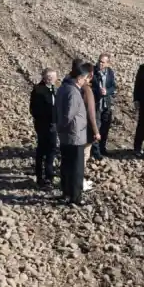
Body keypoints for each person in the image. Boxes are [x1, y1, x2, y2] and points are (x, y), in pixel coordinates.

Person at [56, 62, 91, 205]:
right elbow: (69, 114)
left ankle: (65, 193)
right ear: (79, 78)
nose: (85, 82)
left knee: (66, 165)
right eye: (85, 79)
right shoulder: (73, 92)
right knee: (76, 168)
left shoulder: (62, 88)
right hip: (75, 135)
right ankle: (76, 197)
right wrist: (64, 126)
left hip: (65, 136)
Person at [29, 68, 58, 189]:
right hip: (44, 125)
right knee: (43, 150)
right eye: (49, 77)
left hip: (53, 124)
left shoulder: (54, 89)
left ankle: (48, 175)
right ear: (43, 77)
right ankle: (41, 176)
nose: (51, 79)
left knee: (51, 150)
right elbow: (34, 110)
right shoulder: (38, 90)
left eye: (53, 77)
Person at [76, 60, 101, 191]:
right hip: (85, 130)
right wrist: (96, 131)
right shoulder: (87, 91)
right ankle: (79, 182)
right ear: (90, 75)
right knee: (84, 156)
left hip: (76, 129)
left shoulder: (74, 87)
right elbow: (91, 114)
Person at [92, 53, 116, 158]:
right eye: (99, 61)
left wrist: (107, 91)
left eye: (103, 62)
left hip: (106, 104)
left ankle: (102, 148)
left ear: (108, 63)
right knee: (96, 127)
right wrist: (98, 91)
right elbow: (88, 87)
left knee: (105, 127)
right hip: (96, 104)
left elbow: (113, 87)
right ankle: (95, 151)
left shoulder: (110, 72)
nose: (100, 64)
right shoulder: (93, 72)